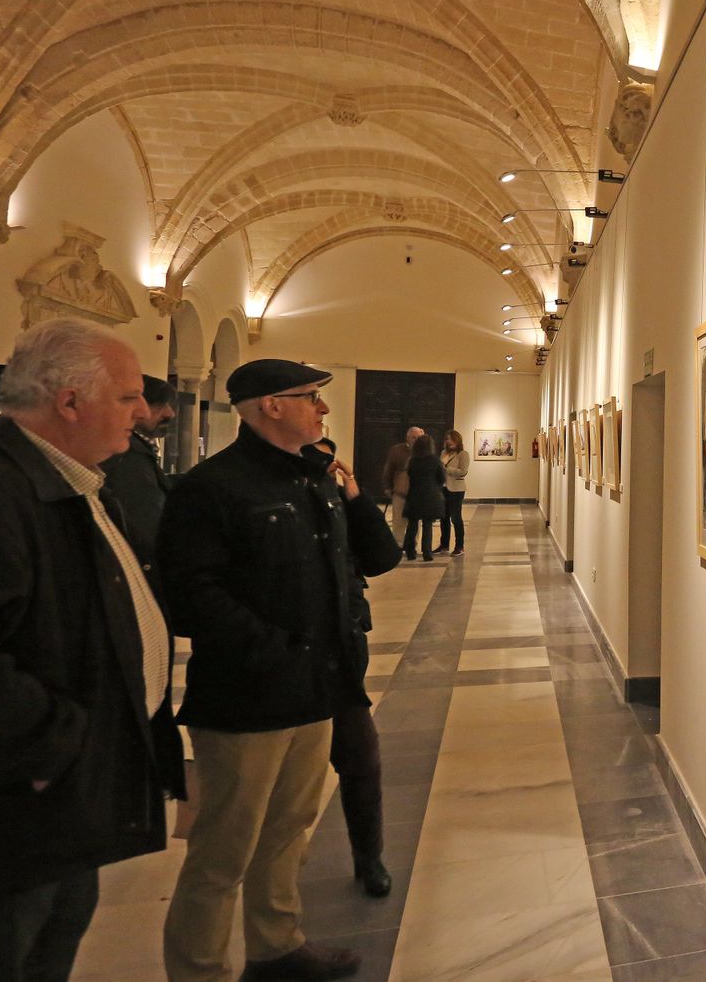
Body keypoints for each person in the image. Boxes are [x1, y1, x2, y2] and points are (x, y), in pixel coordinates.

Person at [0, 318, 182, 982]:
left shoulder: (75, 478)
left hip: (61, 804)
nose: (142, 412)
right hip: (12, 816)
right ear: (70, 401)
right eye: (127, 395)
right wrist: (54, 744)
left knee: (52, 950)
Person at [159, 359, 378, 982]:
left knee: (289, 831)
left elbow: (354, 569)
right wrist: (272, 649)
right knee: (222, 851)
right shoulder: (212, 487)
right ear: (271, 406)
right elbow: (192, 593)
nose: (323, 409)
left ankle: (277, 945)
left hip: (316, 692)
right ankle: (199, 969)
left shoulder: (313, 480)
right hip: (245, 699)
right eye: (312, 397)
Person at [310, 438, 401, 897]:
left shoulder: (338, 501)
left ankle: (369, 858)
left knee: (362, 760)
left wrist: (355, 498)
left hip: (344, 652)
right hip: (285, 661)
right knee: (284, 783)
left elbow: (383, 558)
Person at [99, 373, 178, 581]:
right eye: (159, 405)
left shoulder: (135, 453)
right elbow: (144, 520)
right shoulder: (128, 456)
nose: (169, 413)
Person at [401, 433, 446, 563]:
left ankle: (410, 552)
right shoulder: (435, 460)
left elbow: (409, 475)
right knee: (427, 525)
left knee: (412, 524)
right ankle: (427, 553)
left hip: (414, 495)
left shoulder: (412, 460)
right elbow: (442, 478)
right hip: (430, 496)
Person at [379, 426, 422, 544]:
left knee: (415, 520)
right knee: (398, 520)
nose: (416, 440)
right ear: (407, 437)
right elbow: (388, 469)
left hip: (417, 492)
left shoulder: (425, 451)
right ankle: (398, 544)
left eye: (419, 437)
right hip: (400, 491)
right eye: (414, 437)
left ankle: (412, 544)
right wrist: (387, 486)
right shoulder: (397, 450)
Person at [436, 429, 468, 556]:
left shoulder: (463, 454)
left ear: (457, 440)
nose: (448, 441)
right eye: (447, 439)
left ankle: (459, 546)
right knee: (443, 518)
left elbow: (463, 471)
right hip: (443, 488)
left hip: (456, 489)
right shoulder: (443, 452)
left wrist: (446, 468)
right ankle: (444, 545)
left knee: (456, 518)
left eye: (450, 439)